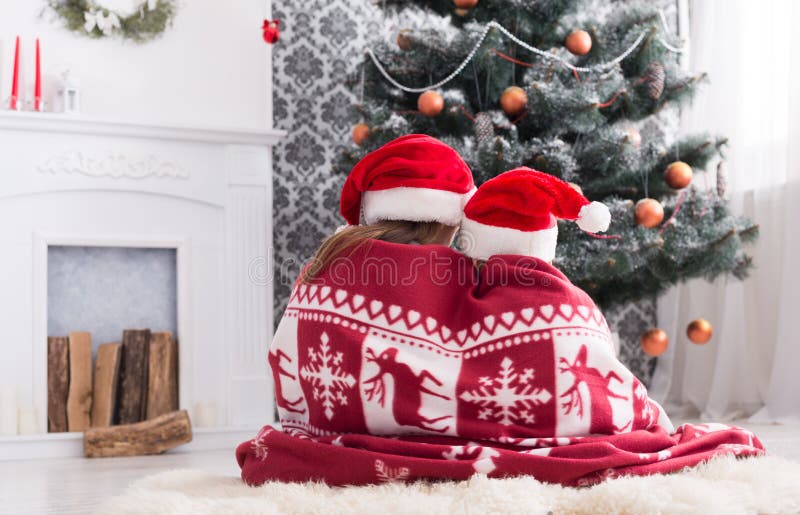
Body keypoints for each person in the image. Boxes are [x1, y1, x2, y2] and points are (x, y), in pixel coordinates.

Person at [237, 152, 764, 487]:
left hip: (329, 429)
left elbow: (293, 368)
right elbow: (562, 341)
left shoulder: (325, 264)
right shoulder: (474, 273)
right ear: (455, 217)